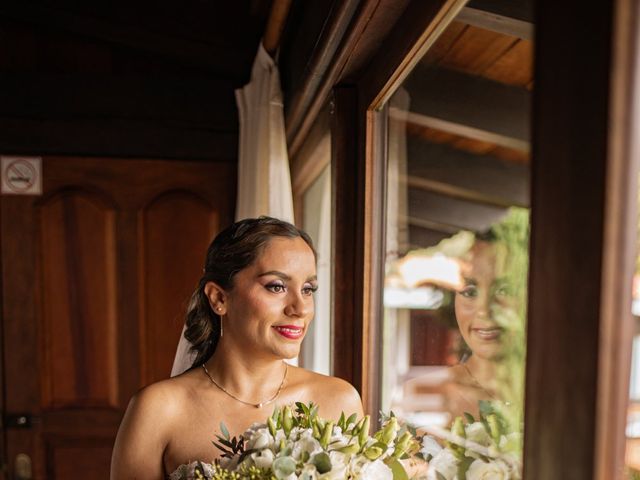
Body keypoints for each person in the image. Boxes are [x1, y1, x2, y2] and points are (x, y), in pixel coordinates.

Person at [110, 217, 364, 479]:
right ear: (219, 298)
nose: (300, 309)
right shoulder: (158, 409)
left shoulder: (338, 401)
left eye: (308, 289)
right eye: (276, 286)